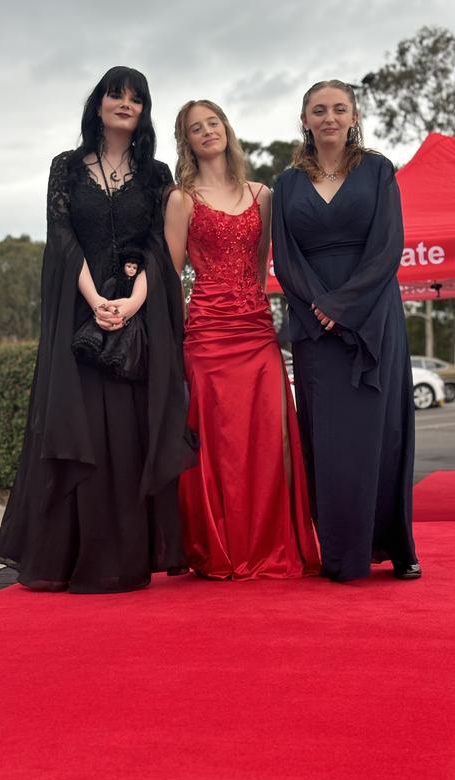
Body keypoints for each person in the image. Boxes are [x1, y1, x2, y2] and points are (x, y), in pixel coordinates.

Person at [0, 66, 195, 593]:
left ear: (144, 111)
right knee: (80, 430)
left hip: (137, 320)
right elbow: (61, 239)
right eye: (115, 95)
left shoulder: (156, 174)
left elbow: (159, 247)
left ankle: (124, 562)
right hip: (79, 316)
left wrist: (131, 303)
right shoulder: (66, 167)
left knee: (127, 434)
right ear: (98, 104)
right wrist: (98, 300)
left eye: (135, 98)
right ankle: (65, 559)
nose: (124, 104)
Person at [272, 79, 421, 582]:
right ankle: (340, 555)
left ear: (353, 117)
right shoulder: (287, 183)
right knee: (329, 442)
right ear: (305, 120)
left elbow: (388, 246)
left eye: (339, 109)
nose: (330, 117)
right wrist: (320, 306)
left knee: (383, 435)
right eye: (319, 109)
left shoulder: (378, 171)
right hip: (315, 328)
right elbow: (285, 259)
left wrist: (345, 304)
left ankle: (396, 546)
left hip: (374, 318)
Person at [164, 99, 319, 580]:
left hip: (254, 328)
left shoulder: (263, 195)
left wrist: (252, 306)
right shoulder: (180, 198)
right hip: (207, 332)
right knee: (219, 441)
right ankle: (219, 547)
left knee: (268, 436)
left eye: (213, 123)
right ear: (186, 141)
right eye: (196, 128)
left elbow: (259, 267)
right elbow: (171, 275)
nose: (207, 132)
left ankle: (271, 544)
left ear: (226, 130)